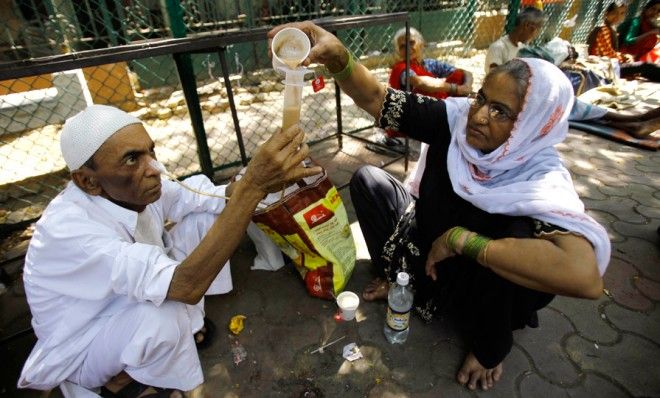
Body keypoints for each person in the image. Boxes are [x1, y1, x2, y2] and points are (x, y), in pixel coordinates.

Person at [268, 22, 610, 391]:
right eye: (481, 99)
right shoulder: (456, 120)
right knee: (368, 180)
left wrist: (463, 241)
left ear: (534, 125)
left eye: (501, 112)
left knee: (519, 247)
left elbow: (583, 276)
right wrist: (337, 57)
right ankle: (405, 280)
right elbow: (377, 100)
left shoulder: (541, 178)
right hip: (425, 242)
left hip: (479, 279)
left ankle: (489, 344)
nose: (479, 116)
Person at [17, 105, 321, 395]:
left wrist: (253, 180)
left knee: (210, 217)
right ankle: (119, 381)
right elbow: (185, 286)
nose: (154, 168)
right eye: (132, 159)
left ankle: (177, 337)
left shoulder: (126, 188)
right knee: (164, 312)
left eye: (151, 151)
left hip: (122, 300)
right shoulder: (72, 231)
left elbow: (199, 198)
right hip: (86, 339)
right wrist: (253, 186)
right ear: (87, 181)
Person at [371, 27, 473, 156]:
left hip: (433, 109)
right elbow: (419, 82)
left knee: (459, 76)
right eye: (402, 46)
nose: (408, 48)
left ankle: (452, 121)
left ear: (421, 43)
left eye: (411, 43)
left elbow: (465, 73)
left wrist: (467, 85)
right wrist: (456, 88)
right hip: (412, 116)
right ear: (399, 52)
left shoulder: (429, 64)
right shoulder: (401, 69)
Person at [587, 1, 660, 82]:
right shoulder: (604, 29)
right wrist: (624, 57)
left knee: (648, 70)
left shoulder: (611, 29)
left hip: (613, 64)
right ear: (606, 13)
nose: (617, 16)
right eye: (614, 13)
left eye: (622, 13)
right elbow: (608, 54)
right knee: (646, 67)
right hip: (605, 67)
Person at [485, 6, 545, 72]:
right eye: (537, 30)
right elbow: (494, 78)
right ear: (527, 25)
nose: (535, 35)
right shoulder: (498, 48)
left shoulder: (522, 48)